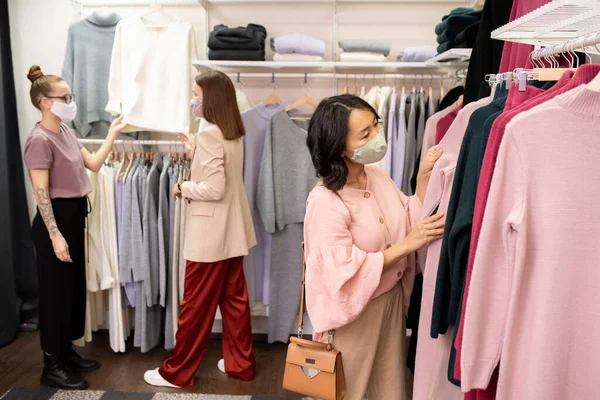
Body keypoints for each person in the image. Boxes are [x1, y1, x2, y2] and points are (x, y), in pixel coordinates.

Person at [303, 94, 445, 400]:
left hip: (391, 301)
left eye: (376, 125)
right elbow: (339, 271)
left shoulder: (376, 176)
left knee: (390, 386)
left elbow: (407, 218)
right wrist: (408, 246)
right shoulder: (326, 201)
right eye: (365, 134)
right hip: (355, 315)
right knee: (349, 390)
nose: (377, 136)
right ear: (339, 147)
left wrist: (422, 180)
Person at [144, 70, 257, 388]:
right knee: (234, 301)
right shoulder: (230, 129)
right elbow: (223, 173)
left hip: (210, 235)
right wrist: (196, 152)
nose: (193, 99)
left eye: (197, 94)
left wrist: (182, 185)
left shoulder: (210, 133)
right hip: (233, 231)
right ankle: (241, 364)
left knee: (194, 306)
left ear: (211, 99)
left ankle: (177, 372)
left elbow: (214, 188)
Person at [23, 65, 126, 390]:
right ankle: (51, 364)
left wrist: (112, 134)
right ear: (45, 102)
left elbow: (93, 164)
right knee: (54, 295)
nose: (71, 101)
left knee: (70, 291)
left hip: (74, 216)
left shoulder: (65, 131)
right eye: (64, 96)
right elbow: (40, 193)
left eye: (71, 95)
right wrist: (55, 236)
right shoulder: (38, 140)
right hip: (55, 222)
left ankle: (65, 352)